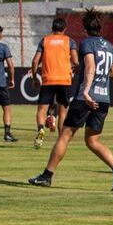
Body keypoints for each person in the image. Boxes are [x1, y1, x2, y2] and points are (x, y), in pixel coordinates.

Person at [29, 9, 113, 192]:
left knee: (65, 136)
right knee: (93, 141)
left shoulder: (86, 43)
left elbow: (90, 66)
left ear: (85, 28)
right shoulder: (109, 45)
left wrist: (86, 91)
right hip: (104, 97)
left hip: (86, 98)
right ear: (100, 27)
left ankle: (46, 177)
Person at [29, 18, 77, 148]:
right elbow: (76, 61)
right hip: (64, 80)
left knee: (42, 110)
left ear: (52, 28)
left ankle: (40, 129)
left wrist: (34, 78)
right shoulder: (69, 41)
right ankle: (61, 141)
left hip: (48, 80)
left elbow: (35, 61)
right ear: (64, 28)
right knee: (62, 113)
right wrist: (74, 69)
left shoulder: (45, 41)